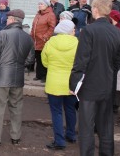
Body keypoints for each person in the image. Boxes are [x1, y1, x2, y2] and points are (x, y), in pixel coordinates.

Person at [69, 0, 120, 156]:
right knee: (106, 125)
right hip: (108, 84)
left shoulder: (88, 30)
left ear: (95, 9)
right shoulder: (117, 32)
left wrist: (73, 85)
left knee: (87, 127)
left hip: (89, 86)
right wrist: (108, 69)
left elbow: (81, 61)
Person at [0, 9, 35, 146]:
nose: (6, 20)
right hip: (17, 78)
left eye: (8, 18)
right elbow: (30, 60)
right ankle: (15, 136)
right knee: (16, 107)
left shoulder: (1, 34)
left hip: (1, 77)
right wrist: (18, 66)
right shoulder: (28, 38)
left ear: (12, 19)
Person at [41, 20, 78, 150]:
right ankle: (71, 135)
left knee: (56, 113)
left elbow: (44, 62)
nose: (75, 31)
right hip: (71, 84)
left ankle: (59, 141)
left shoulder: (50, 43)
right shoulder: (77, 43)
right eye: (73, 29)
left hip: (54, 83)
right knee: (71, 109)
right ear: (68, 31)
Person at [30, 0, 56, 82]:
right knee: (38, 58)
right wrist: (31, 35)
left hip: (44, 41)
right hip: (36, 41)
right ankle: (38, 75)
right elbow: (34, 26)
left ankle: (44, 76)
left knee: (44, 59)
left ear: (46, 5)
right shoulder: (38, 14)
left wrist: (45, 37)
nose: (39, 5)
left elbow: (52, 28)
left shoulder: (50, 14)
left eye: (41, 4)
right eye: (39, 4)